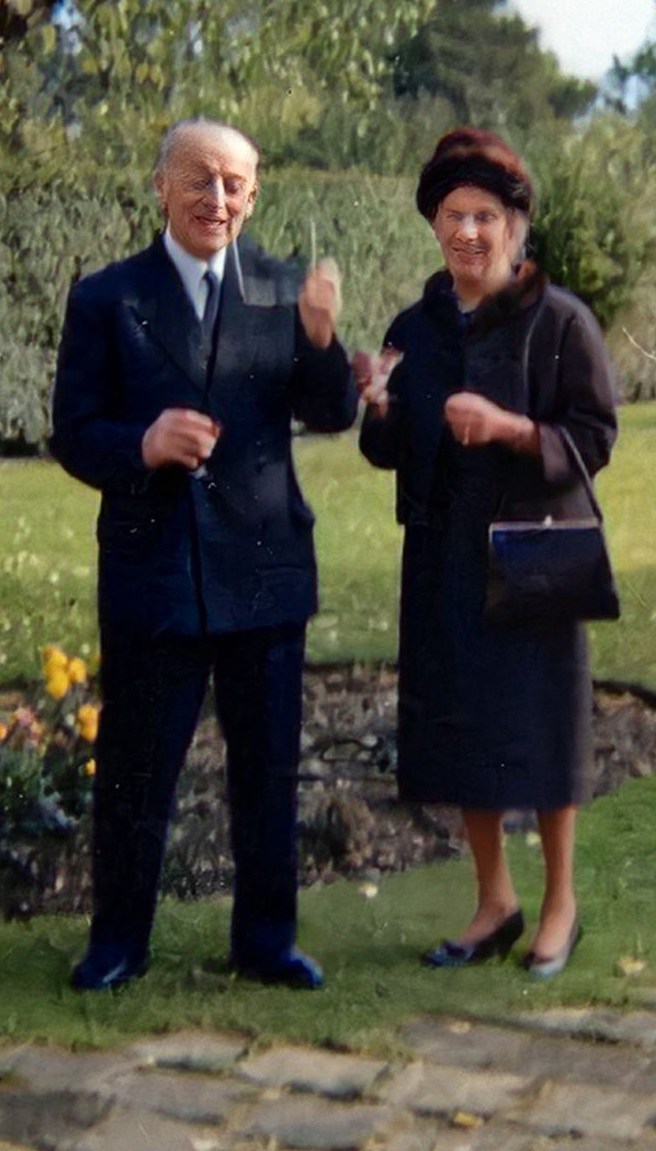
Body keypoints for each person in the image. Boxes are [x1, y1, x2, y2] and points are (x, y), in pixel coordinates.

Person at [51, 117, 357, 991]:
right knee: (136, 773)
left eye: (234, 184)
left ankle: (265, 943)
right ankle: (117, 944)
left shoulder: (282, 289)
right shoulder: (106, 298)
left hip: (263, 571)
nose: (216, 199)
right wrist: (142, 443)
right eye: (199, 179)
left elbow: (332, 412)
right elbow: (73, 434)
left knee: (266, 774)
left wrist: (324, 342)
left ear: (254, 196)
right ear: (161, 187)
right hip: (155, 574)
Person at [355, 128, 617, 978]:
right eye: (451, 215)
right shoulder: (415, 325)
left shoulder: (559, 321)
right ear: (434, 223)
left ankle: (559, 905)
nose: (466, 232)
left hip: (532, 558)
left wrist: (509, 429)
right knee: (465, 729)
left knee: (541, 729)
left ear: (514, 227)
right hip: (442, 561)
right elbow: (385, 452)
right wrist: (380, 407)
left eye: (483, 217)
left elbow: (594, 433)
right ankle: (494, 899)